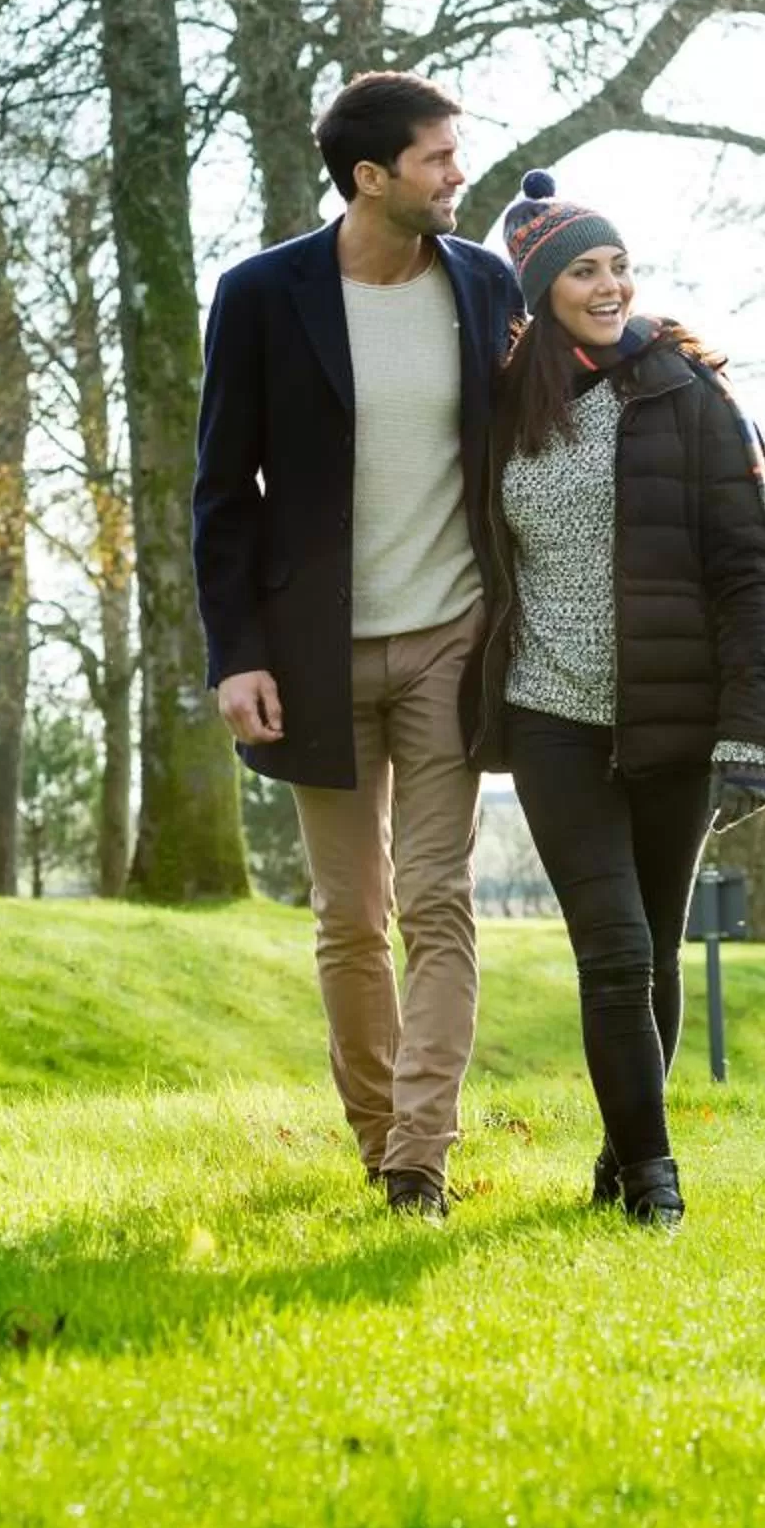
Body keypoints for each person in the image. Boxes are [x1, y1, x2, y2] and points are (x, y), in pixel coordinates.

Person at [193, 73, 525, 1220]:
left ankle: (421, 1158)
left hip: (450, 636)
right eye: (439, 157)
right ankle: (379, 1131)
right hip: (314, 656)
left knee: (438, 899)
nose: (457, 173)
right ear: (371, 177)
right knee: (350, 916)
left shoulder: (485, 284)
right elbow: (222, 491)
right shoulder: (261, 295)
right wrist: (237, 655)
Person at [470, 170, 765, 1230]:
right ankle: (658, 1186)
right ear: (537, 288)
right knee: (610, 949)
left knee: (654, 949)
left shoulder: (691, 394)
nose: (609, 286)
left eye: (618, 265)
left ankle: (623, 1156)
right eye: (582, 270)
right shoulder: (501, 406)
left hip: (675, 717)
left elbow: (753, 570)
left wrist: (752, 732)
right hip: (549, 711)